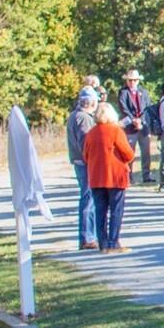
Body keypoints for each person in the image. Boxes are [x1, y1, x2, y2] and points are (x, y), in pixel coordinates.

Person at [83, 103, 136, 253]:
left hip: (96, 177)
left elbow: (85, 155)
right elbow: (128, 154)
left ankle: (103, 243)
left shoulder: (91, 133)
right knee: (116, 210)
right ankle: (113, 242)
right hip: (115, 176)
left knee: (100, 211)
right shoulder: (116, 131)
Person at [66, 89, 99, 250]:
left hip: (81, 162)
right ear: (92, 103)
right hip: (85, 163)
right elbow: (87, 144)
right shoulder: (84, 118)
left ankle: (88, 236)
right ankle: (87, 237)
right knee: (89, 200)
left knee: (89, 199)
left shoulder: (75, 116)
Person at [117, 70, 155, 184]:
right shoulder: (123, 92)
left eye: (134, 80)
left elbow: (147, 107)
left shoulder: (143, 92)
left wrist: (140, 120)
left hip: (143, 127)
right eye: (130, 80)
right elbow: (123, 108)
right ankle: (129, 175)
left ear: (138, 81)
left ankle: (146, 175)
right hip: (129, 126)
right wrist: (133, 119)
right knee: (129, 152)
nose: (132, 82)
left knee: (146, 152)